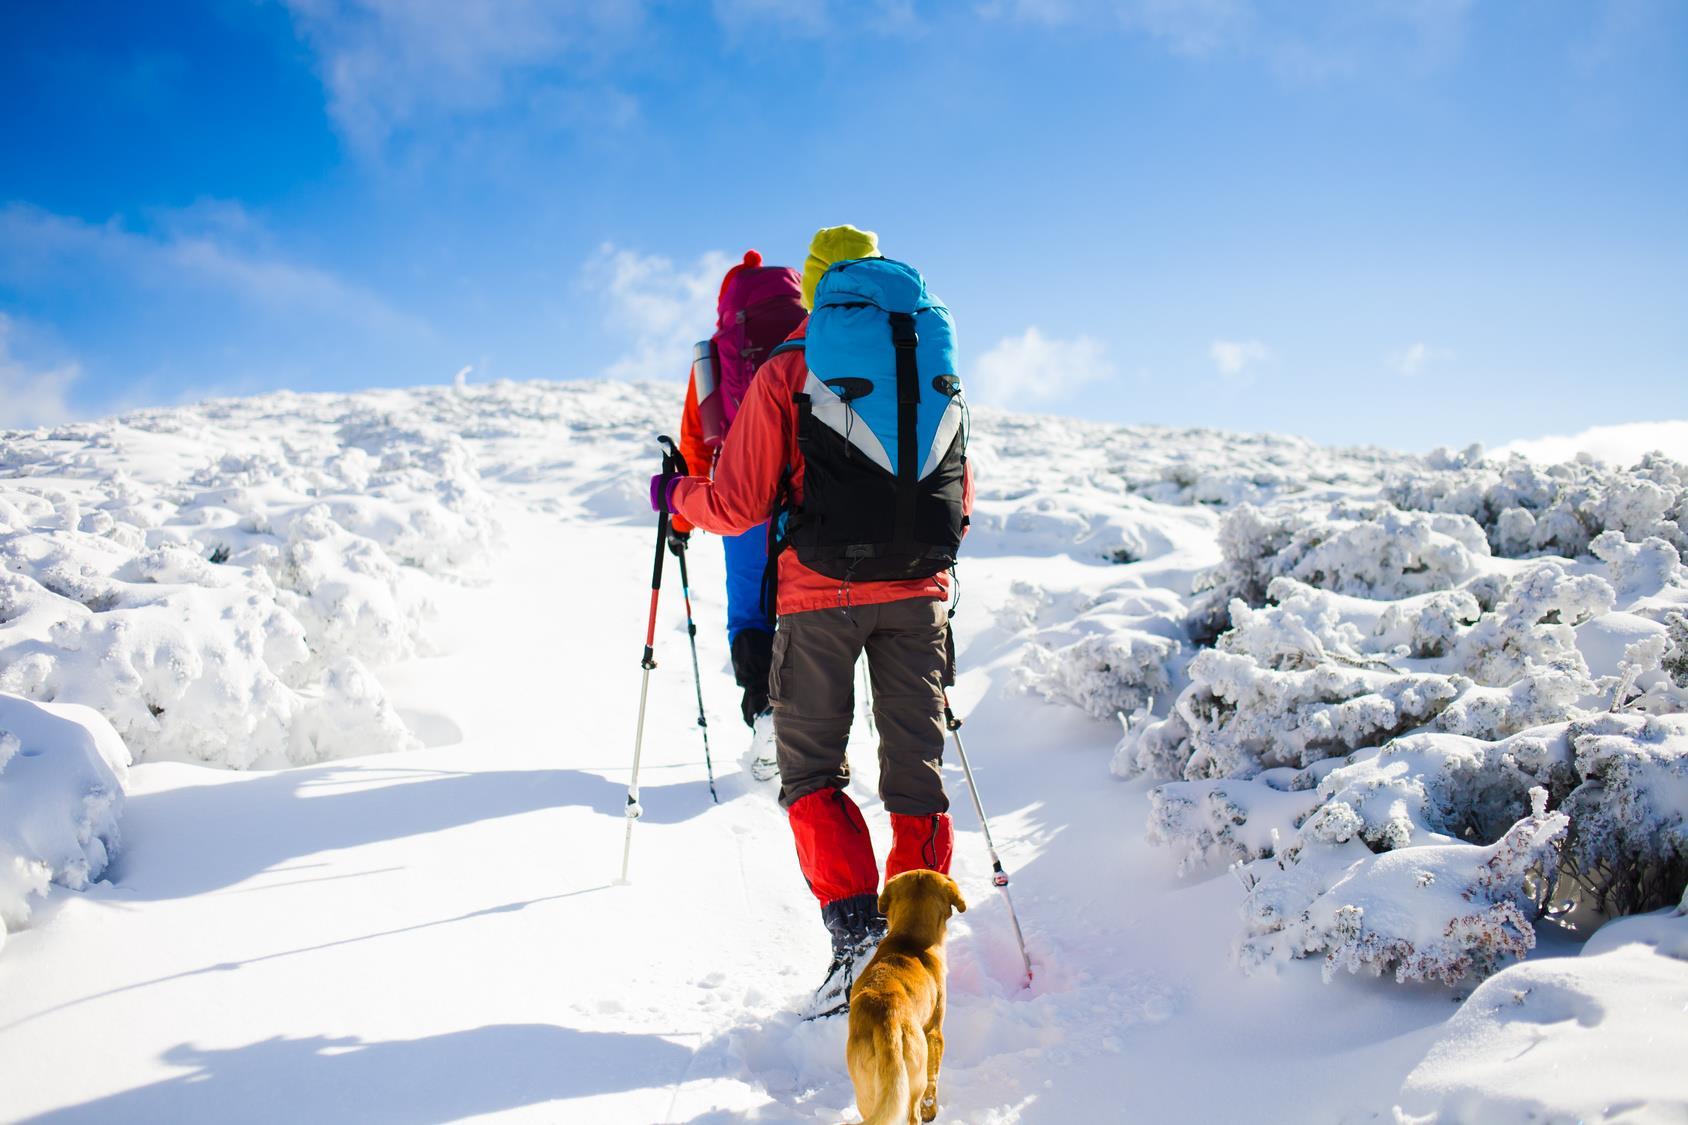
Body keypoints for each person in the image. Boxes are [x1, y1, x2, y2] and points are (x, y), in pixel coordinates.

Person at [651, 224, 972, 1018]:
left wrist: (672, 497)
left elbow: (737, 503)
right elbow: (959, 504)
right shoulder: (932, 363)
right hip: (919, 594)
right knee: (915, 775)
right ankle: (917, 950)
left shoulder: (785, 369)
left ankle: (859, 945)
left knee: (812, 772)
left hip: (820, 597)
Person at [669, 250, 807, 780]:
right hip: (807, 488)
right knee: (807, 603)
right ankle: (817, 724)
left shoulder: (717, 353)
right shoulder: (810, 328)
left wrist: (682, 524)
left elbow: (695, 442)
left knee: (751, 610)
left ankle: (766, 715)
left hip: (742, 492)